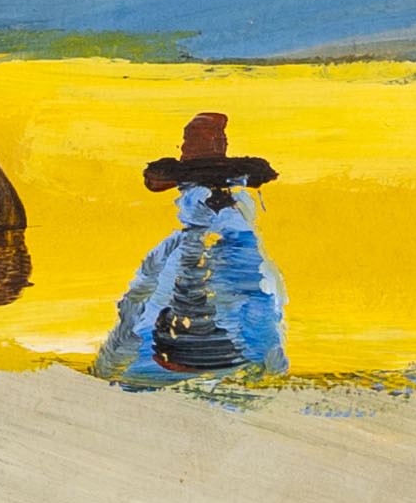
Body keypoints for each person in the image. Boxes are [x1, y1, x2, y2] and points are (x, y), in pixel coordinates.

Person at [91, 112, 287, 385]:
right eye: (201, 187)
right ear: (186, 192)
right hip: (171, 365)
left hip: (219, 368)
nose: (213, 197)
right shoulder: (177, 249)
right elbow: (137, 308)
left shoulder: (243, 251)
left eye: (222, 188)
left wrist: (107, 367)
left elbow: (263, 314)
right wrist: (108, 366)